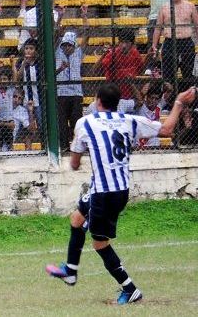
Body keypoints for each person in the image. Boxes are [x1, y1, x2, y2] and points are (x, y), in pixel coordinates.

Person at [45, 83, 193, 304]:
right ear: (117, 103)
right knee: (77, 219)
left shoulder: (86, 123)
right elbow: (166, 130)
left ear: (97, 101)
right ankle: (71, 270)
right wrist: (179, 103)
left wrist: (81, 155)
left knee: (100, 244)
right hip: (118, 190)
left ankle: (130, 289)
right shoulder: (129, 120)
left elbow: (74, 164)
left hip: (104, 194)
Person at [151, 0, 198, 84]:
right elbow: (158, 28)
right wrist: (154, 45)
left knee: (188, 75)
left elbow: (197, 26)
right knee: (168, 76)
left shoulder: (190, 6)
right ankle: (170, 94)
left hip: (186, 42)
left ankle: (187, 93)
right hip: (169, 42)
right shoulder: (164, 7)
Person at [55, 15, 89, 149]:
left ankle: (77, 145)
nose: (67, 48)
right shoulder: (58, 52)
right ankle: (64, 146)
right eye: (65, 45)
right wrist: (60, 18)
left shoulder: (78, 53)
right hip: (61, 93)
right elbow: (55, 35)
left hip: (76, 93)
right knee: (62, 122)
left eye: (70, 45)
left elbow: (86, 36)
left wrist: (84, 17)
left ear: (74, 45)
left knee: (76, 120)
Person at [98, 28, 145, 99]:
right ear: (119, 42)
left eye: (127, 42)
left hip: (131, 96)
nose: (124, 46)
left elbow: (140, 70)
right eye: (122, 42)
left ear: (132, 44)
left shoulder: (135, 54)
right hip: (114, 95)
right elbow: (98, 70)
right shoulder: (112, 54)